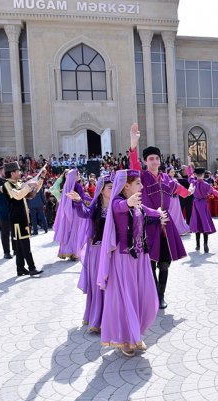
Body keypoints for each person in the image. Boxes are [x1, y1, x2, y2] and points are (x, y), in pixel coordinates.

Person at [97, 169, 166, 357]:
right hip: (124, 258)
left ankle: (136, 333)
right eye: (137, 184)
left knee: (146, 297)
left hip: (141, 257)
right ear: (126, 186)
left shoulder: (138, 203)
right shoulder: (118, 203)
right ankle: (127, 339)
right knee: (127, 298)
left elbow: (148, 211)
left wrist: (159, 214)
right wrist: (128, 202)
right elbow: (120, 206)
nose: (141, 187)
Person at [129, 123, 191, 309]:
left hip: (165, 225)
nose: (155, 161)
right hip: (147, 223)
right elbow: (133, 163)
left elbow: (180, 190)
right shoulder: (142, 176)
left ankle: (160, 295)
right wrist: (133, 143)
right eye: (151, 159)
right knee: (149, 263)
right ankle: (151, 295)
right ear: (146, 161)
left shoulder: (166, 178)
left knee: (165, 263)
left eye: (157, 158)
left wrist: (190, 190)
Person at [66, 174, 113, 333]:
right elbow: (84, 214)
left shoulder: (117, 205)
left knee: (111, 285)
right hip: (96, 251)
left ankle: (111, 318)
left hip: (112, 253)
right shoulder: (96, 206)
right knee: (97, 285)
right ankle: (96, 320)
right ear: (101, 190)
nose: (113, 189)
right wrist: (79, 201)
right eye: (110, 187)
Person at [2, 162, 45, 277]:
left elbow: (31, 194)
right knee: (25, 245)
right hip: (17, 218)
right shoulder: (7, 184)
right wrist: (28, 185)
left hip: (23, 217)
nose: (20, 173)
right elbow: (18, 195)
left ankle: (20, 268)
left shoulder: (19, 183)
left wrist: (40, 179)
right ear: (12, 173)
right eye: (18, 171)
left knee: (21, 246)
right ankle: (32, 268)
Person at [53, 169, 91, 260]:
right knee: (76, 231)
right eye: (78, 174)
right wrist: (93, 199)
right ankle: (74, 253)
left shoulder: (67, 185)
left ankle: (65, 251)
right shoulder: (77, 185)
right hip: (76, 211)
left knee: (68, 231)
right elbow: (83, 197)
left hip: (67, 211)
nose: (79, 175)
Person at [189, 167, 218, 253]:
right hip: (203, 204)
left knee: (197, 223)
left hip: (196, 204)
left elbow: (189, 176)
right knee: (204, 223)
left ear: (196, 175)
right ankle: (205, 244)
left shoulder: (193, 182)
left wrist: (190, 166)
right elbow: (213, 191)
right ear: (203, 175)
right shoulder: (206, 184)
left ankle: (197, 245)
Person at [0, 166, 16, 259]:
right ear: (0, 172)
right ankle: (6, 252)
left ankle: (15, 249)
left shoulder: (8, 180)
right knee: (5, 232)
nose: (6, 173)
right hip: (3, 211)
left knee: (14, 231)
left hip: (12, 209)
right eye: (4, 171)